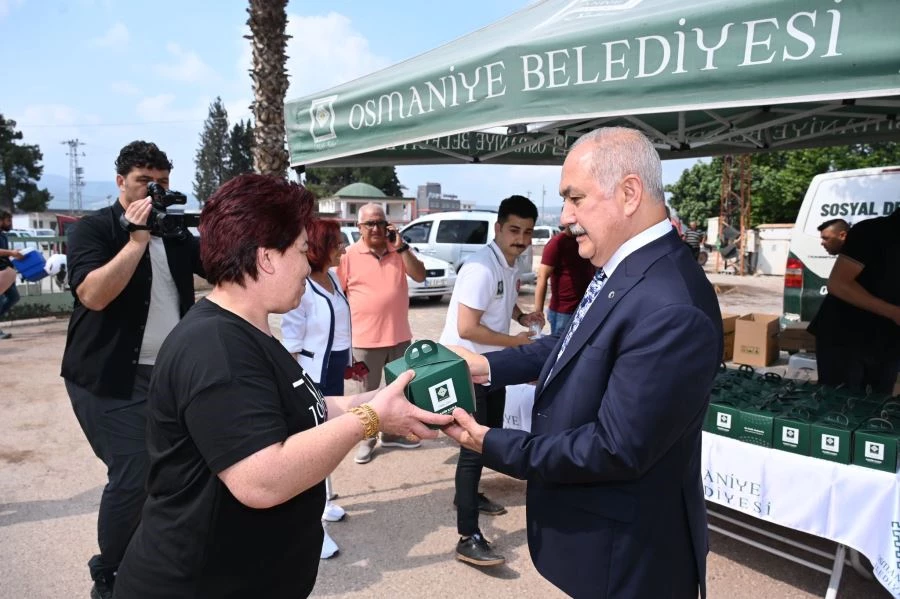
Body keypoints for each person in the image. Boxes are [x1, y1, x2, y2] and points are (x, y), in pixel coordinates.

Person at [113, 174, 450, 598]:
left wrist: (379, 400)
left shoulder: (249, 330)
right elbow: (261, 479)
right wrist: (369, 419)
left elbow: (301, 407)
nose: (308, 264)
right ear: (266, 258)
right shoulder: (216, 347)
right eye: (301, 250)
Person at [444, 127, 722, 598]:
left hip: (628, 558)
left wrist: (493, 443)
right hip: (600, 541)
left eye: (575, 198)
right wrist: (484, 367)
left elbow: (615, 448)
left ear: (629, 192)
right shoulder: (630, 266)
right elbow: (570, 342)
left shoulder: (671, 303)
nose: (566, 217)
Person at [60, 141, 205, 599]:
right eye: (145, 181)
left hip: (169, 373)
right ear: (121, 181)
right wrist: (136, 239)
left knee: (179, 468)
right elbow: (94, 295)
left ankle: (163, 554)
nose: (154, 190)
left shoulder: (176, 233)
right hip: (107, 376)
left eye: (162, 182)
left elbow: (224, 267)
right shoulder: (93, 230)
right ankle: (113, 573)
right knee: (134, 470)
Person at [438, 194, 543, 567]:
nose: (521, 238)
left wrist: (521, 316)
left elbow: (499, 302)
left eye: (528, 231)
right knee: (472, 447)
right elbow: (468, 326)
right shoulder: (482, 267)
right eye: (514, 230)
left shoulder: (508, 263)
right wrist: (516, 343)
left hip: (490, 366)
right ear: (498, 228)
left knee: (488, 436)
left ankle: (467, 495)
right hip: (466, 367)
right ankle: (467, 535)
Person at [281, 218, 353, 559]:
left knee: (328, 441)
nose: (343, 247)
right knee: (314, 448)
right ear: (321, 246)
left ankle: (324, 504)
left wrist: (350, 359)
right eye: (337, 242)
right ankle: (313, 530)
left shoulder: (333, 279)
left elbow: (340, 327)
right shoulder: (302, 286)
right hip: (312, 375)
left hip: (334, 370)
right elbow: (291, 340)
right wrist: (293, 385)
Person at [338, 202, 427, 464]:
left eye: (380, 222)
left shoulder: (398, 251)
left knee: (397, 390)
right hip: (365, 342)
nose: (376, 228)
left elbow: (420, 275)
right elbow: (339, 296)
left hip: (399, 337)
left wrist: (401, 246)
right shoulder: (348, 256)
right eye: (369, 224)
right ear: (359, 227)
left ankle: (391, 434)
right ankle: (366, 438)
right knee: (366, 394)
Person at [808, 209, 900, 393]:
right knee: (837, 408)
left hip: (887, 341)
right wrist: (893, 312)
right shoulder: (873, 231)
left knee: (875, 408)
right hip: (846, 338)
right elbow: (838, 283)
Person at [533, 226, 595, 335]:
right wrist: (538, 313)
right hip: (563, 312)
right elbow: (542, 277)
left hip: (584, 308)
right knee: (560, 349)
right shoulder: (557, 243)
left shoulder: (585, 241)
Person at [0, 209, 24, 339]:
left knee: (13, 297)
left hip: (5, 271)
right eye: (8, 221)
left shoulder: (3, 235)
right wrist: (11, 252)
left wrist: (14, 256)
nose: (10, 223)